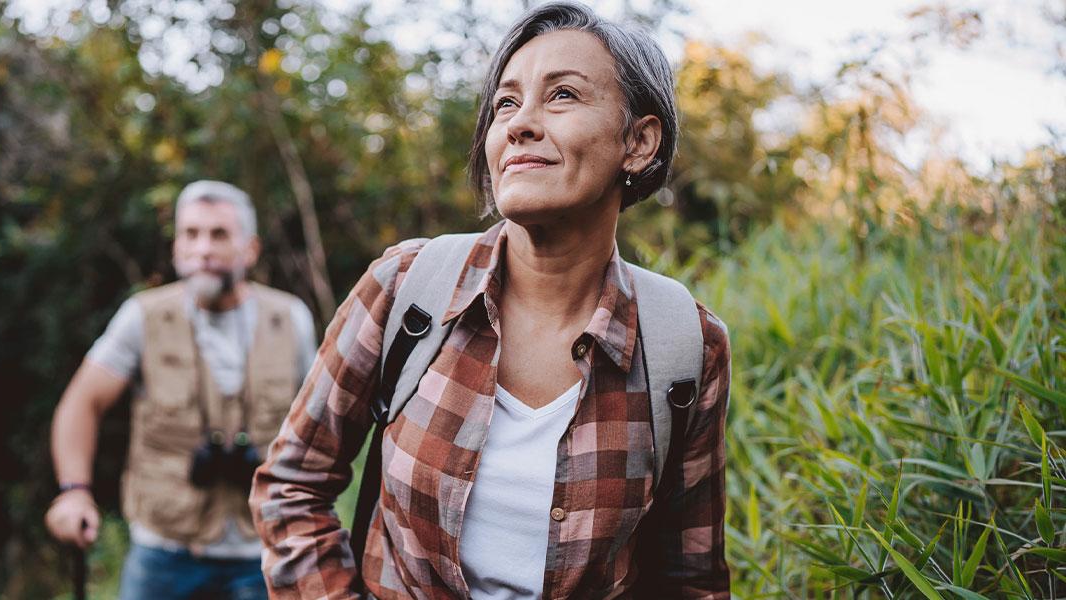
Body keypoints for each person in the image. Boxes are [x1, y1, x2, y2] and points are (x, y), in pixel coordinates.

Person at [250, 3, 730, 598]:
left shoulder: (684, 345)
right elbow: (293, 485)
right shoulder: (407, 287)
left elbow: (691, 577)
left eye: (562, 96)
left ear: (639, 142)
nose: (519, 124)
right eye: (506, 103)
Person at [45, 180, 317, 600]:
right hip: (163, 552)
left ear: (250, 249)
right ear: (176, 247)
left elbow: (320, 427)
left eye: (219, 234)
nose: (203, 248)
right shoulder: (142, 316)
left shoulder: (291, 318)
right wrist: (74, 492)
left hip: (265, 549)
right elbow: (82, 402)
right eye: (191, 234)